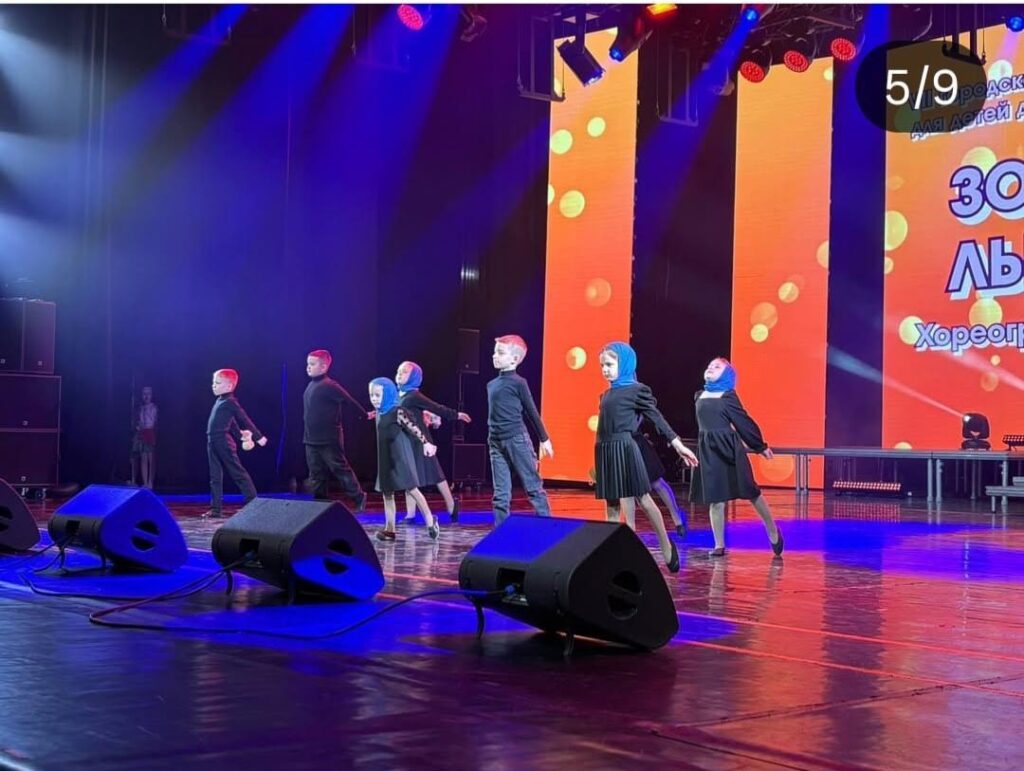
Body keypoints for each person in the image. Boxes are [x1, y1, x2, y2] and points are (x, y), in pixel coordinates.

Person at [594, 342, 698, 573]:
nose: (605, 370)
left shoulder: (637, 390)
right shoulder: (606, 394)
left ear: (625, 363)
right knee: (612, 504)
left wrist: (677, 444)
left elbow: (657, 418)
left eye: (609, 364)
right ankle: (615, 552)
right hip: (605, 450)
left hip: (626, 448)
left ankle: (665, 544)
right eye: (602, 366)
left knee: (643, 498)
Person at [690, 357, 783, 558]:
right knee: (715, 498)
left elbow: (742, 421)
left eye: (717, 366)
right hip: (709, 450)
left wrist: (759, 445)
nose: (711, 368)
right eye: (709, 365)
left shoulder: (728, 396)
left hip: (729, 448)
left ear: (726, 375)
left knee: (751, 491)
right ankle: (719, 545)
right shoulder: (699, 395)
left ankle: (772, 528)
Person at [486, 335, 553, 527]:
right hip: (495, 441)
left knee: (533, 486)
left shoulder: (519, 383)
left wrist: (544, 439)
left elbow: (531, 411)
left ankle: (547, 527)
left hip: (516, 440)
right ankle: (500, 532)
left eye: (500, 353)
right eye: (495, 352)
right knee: (500, 493)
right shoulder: (491, 384)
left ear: (514, 359)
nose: (495, 356)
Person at [395, 361, 470, 523]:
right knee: (409, 476)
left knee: (435, 474)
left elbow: (435, 407)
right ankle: (410, 515)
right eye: (399, 371)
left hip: (420, 441)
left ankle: (451, 504)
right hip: (406, 440)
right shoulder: (399, 396)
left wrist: (456, 415)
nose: (400, 374)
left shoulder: (414, 395)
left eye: (405, 372)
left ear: (414, 377)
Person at [368, 377, 439, 542]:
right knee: (387, 493)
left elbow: (414, 428)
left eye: (378, 395)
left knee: (412, 490)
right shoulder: (379, 413)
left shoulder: (397, 412)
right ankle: (390, 529)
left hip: (400, 458)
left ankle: (430, 522)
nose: (374, 399)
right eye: (371, 395)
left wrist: (426, 443)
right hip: (385, 458)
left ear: (388, 394)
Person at [304, 349, 370, 512]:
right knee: (316, 473)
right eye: (308, 364)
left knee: (339, 468)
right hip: (311, 438)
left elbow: (349, 401)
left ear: (324, 367)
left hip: (329, 438)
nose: (308, 367)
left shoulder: (329, 385)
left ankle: (358, 496)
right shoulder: (311, 385)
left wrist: (364, 415)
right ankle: (320, 503)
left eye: (312, 364)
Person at [205, 368, 267, 519]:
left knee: (237, 473)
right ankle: (216, 509)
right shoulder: (220, 400)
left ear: (229, 386)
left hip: (223, 441)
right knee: (215, 477)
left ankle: (253, 504)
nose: (213, 385)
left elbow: (244, 418)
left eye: (217, 383)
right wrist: (239, 434)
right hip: (212, 441)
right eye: (213, 382)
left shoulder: (231, 401)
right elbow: (231, 422)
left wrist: (258, 437)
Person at [131, 386, 158, 489]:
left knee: (151, 458)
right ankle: (145, 482)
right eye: (144, 394)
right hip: (142, 432)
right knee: (143, 457)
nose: (146, 396)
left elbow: (154, 421)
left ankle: (150, 482)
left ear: (151, 395)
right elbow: (138, 421)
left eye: (148, 394)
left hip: (150, 432)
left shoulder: (154, 407)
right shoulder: (140, 408)